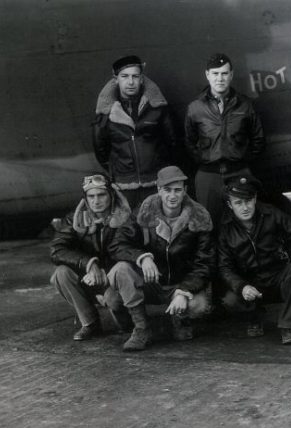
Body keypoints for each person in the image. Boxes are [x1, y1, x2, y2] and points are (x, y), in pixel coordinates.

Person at [108, 166, 215, 351]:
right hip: (152, 282)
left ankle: (180, 319)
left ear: (185, 191)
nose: (172, 196)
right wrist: (142, 257)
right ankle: (142, 328)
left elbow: (205, 263)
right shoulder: (142, 213)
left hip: (180, 283)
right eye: (167, 190)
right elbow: (117, 244)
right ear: (158, 190)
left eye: (177, 190)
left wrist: (184, 291)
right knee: (118, 280)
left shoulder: (199, 217)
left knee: (199, 306)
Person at [218, 176, 291, 345]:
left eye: (248, 201)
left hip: (277, 276)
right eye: (238, 203)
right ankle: (254, 318)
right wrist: (241, 286)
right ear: (230, 205)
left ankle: (287, 326)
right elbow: (225, 267)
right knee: (229, 299)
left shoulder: (271, 213)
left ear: (254, 199)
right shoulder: (225, 228)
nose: (245, 207)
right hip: (250, 282)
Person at [185, 53, 265, 224]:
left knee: (243, 224)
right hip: (208, 176)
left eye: (224, 73)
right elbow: (189, 141)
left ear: (231, 75)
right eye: (215, 73)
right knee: (208, 224)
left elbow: (258, 139)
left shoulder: (245, 104)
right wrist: (202, 159)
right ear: (207, 75)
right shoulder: (195, 108)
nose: (219, 78)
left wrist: (242, 160)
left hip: (238, 172)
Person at [50, 174, 132, 340]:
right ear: (85, 198)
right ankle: (90, 323)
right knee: (61, 273)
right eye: (91, 196)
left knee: (117, 306)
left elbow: (127, 250)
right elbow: (56, 249)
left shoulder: (126, 217)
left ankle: (129, 319)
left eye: (101, 195)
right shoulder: (74, 219)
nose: (96, 201)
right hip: (90, 276)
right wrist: (89, 264)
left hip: (114, 278)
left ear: (111, 194)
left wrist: (106, 274)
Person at [93, 55, 177, 208]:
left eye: (135, 76)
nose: (130, 82)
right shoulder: (106, 113)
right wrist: (118, 171)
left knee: (157, 228)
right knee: (127, 229)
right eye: (125, 76)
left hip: (156, 183)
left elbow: (173, 143)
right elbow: (100, 150)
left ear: (142, 79)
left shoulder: (157, 108)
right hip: (124, 186)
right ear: (116, 79)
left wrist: (161, 171)